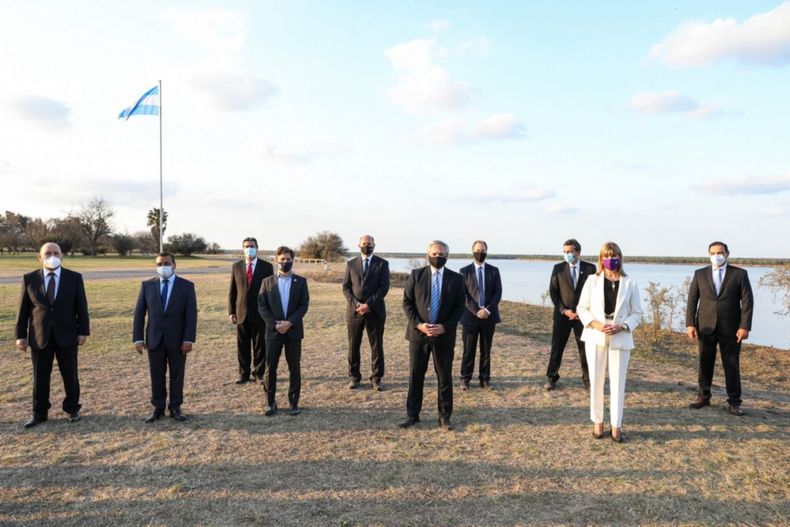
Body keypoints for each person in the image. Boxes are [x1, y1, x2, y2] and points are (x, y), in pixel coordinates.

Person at [15, 242, 90, 428]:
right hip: (40, 336)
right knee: (40, 376)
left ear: (62, 255)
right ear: (39, 257)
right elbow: (23, 310)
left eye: (56, 252)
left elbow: (82, 307)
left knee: (70, 374)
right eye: (47, 253)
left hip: (68, 335)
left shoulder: (74, 278)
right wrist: (20, 335)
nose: (52, 255)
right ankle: (39, 413)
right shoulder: (29, 279)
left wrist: (83, 331)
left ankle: (72, 409)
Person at [577, 242, 642, 443]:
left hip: (620, 336)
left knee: (618, 382)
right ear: (601, 258)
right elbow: (582, 307)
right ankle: (598, 421)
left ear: (620, 258)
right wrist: (594, 324)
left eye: (614, 256)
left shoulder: (630, 283)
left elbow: (637, 313)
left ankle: (616, 424)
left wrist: (622, 326)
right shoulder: (592, 280)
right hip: (596, 335)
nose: (610, 260)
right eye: (606, 256)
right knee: (596, 380)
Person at [400, 240, 465, 430]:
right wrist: (419, 325)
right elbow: (407, 303)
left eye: (442, 254)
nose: (438, 257)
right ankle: (413, 415)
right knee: (415, 375)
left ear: (447, 256)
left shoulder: (456, 279)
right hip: (418, 335)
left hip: (443, 336)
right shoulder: (416, 275)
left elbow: (460, 307)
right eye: (434, 254)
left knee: (444, 377)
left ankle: (444, 417)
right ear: (428, 254)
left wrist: (445, 327)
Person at [686, 241, 754, 416]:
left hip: (731, 328)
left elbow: (747, 302)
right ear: (709, 254)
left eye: (720, 252)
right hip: (705, 326)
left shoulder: (739, 274)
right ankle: (703, 396)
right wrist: (690, 324)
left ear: (727, 254)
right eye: (713, 252)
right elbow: (692, 301)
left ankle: (734, 402)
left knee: (731, 365)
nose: (717, 255)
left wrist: (744, 326)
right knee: (704, 362)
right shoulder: (700, 274)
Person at [133, 252, 198, 423]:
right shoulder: (147, 285)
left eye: (166, 263)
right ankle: (158, 407)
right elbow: (139, 313)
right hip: (154, 339)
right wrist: (138, 338)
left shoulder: (186, 286)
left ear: (174, 265)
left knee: (177, 375)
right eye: (159, 264)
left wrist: (189, 339)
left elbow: (191, 315)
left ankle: (175, 407)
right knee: (156, 375)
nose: (163, 267)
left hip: (178, 341)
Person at [258, 246, 310, 416]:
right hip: (273, 332)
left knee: (294, 368)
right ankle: (270, 403)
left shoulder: (301, 282)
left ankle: (294, 403)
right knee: (270, 368)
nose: (286, 262)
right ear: (277, 260)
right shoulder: (267, 282)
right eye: (283, 259)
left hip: (293, 332)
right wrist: (275, 324)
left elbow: (303, 305)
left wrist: (290, 322)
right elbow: (262, 306)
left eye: (289, 259)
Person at [545, 239, 596, 391]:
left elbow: (596, 293)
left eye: (570, 252)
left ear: (578, 252)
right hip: (563, 316)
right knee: (557, 348)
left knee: (585, 349)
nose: (567, 254)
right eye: (565, 252)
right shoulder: (558, 268)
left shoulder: (590, 269)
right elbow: (553, 292)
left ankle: (588, 381)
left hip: (583, 317)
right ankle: (551, 378)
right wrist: (563, 310)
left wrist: (584, 312)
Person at [342, 234, 390, 391]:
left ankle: (376, 378)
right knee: (353, 345)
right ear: (358, 245)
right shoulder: (351, 264)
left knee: (376, 346)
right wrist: (357, 304)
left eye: (369, 243)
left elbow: (384, 287)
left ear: (374, 245)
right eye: (364, 243)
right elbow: (346, 287)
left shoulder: (382, 264)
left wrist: (368, 304)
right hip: (355, 312)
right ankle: (354, 377)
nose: (367, 245)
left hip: (375, 311)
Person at [228, 237, 274, 385]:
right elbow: (232, 291)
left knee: (260, 345)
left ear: (257, 248)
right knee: (242, 346)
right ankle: (244, 374)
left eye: (252, 246)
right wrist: (231, 311)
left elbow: (270, 291)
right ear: (243, 248)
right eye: (246, 246)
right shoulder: (236, 266)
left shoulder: (266, 267)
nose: (249, 248)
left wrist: (270, 313)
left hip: (260, 313)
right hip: (241, 312)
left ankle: (259, 373)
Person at [459, 240, 502, 390]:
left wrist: (487, 310)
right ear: (472, 251)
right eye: (478, 250)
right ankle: (465, 378)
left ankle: (485, 379)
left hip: (489, 316)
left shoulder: (494, 270)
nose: (480, 253)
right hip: (470, 317)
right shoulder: (464, 271)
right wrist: (476, 310)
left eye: (483, 250)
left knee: (486, 350)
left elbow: (498, 293)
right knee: (468, 350)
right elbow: (463, 295)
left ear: (487, 251)